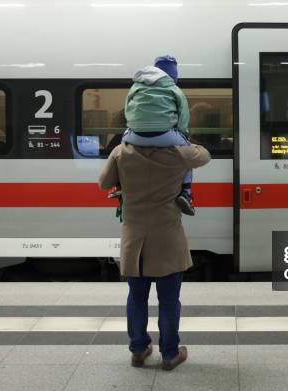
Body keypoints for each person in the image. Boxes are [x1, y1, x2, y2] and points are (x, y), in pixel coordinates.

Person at [98, 141, 211, 370]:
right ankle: (170, 355)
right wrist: (181, 139)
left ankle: (138, 351)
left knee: (136, 297)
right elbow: (205, 155)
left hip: (135, 240)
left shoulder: (121, 152)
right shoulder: (179, 152)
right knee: (169, 300)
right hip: (168, 239)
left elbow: (103, 183)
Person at [112, 55, 195, 216]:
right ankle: (186, 192)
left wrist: (133, 128)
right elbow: (183, 118)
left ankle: (119, 185)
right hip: (165, 135)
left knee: (120, 150)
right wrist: (182, 136)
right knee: (188, 154)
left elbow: (128, 110)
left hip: (135, 135)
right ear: (173, 74)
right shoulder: (174, 89)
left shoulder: (136, 87)